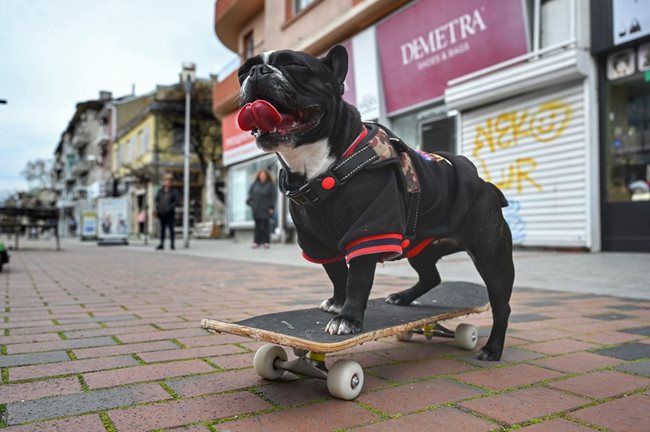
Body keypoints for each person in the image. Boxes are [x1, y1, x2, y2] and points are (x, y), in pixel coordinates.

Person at [247, 169, 276, 249]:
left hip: (266, 209)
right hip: (256, 208)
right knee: (257, 226)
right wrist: (251, 203)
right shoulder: (254, 184)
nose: (262, 177)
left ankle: (266, 242)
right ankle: (256, 242)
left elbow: (273, 197)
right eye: (261, 175)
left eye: (264, 175)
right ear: (258, 176)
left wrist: (271, 207)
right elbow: (250, 195)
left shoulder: (270, 185)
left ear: (266, 176)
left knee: (266, 226)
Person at [155, 173, 180, 250]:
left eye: (169, 181)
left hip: (170, 213)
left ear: (171, 182)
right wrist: (158, 208)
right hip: (162, 213)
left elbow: (176, 201)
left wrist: (170, 208)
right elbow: (156, 200)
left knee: (171, 229)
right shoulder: (160, 190)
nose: (167, 182)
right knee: (162, 229)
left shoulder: (174, 191)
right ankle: (161, 243)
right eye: (166, 181)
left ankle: (172, 244)